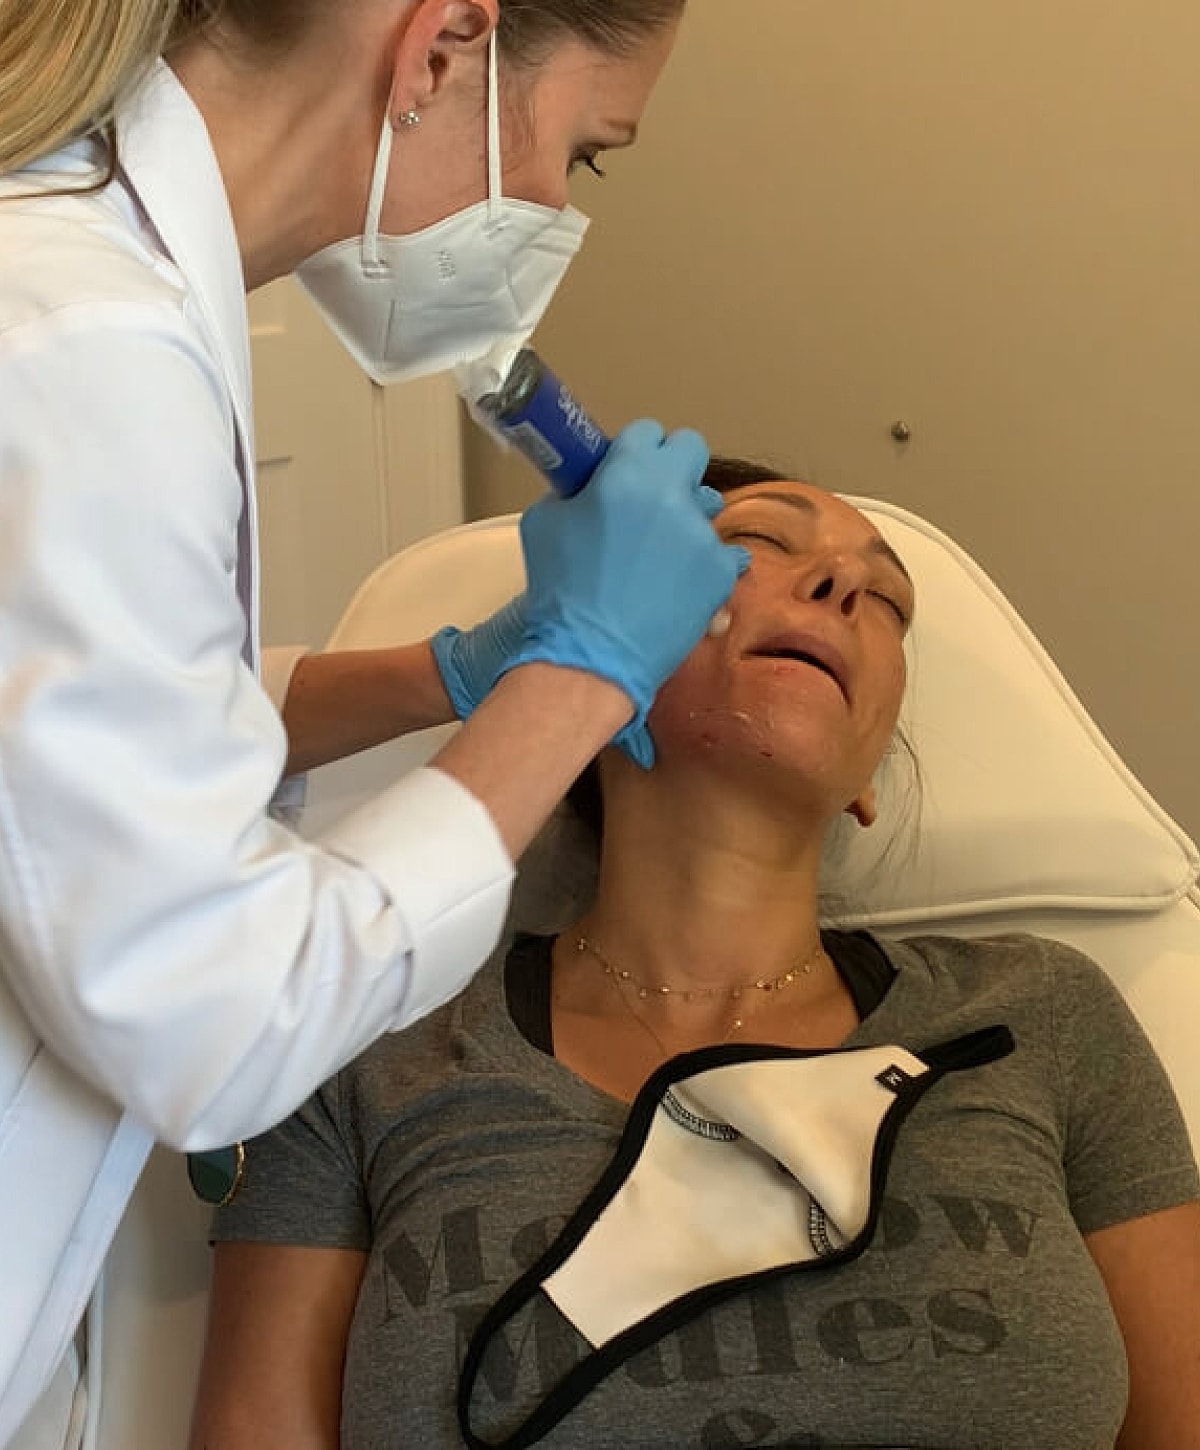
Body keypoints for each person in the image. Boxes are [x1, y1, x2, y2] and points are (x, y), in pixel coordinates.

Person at [0, 0, 750, 1438]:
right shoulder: (87, 346)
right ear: (441, 52)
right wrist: (579, 676)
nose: (549, 214)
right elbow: (212, 1020)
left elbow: (96, 733)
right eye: (586, 156)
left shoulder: (89, 287)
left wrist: (453, 675)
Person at [193, 466, 1200, 1449]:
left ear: (868, 778)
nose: (846, 583)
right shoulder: (366, 1042)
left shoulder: (1043, 1018)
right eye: (757, 543)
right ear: (595, 674)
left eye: (888, 596)